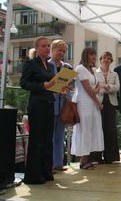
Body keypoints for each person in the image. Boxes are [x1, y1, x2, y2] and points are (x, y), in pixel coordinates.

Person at [20, 36, 56, 184]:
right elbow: (24, 83)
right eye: (44, 46)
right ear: (37, 48)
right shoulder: (31, 64)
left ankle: (46, 172)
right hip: (37, 104)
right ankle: (34, 175)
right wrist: (42, 86)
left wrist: (62, 88)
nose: (47, 48)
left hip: (49, 103)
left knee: (48, 139)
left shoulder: (50, 65)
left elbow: (52, 84)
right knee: (37, 140)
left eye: (48, 46)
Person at [71, 47, 104, 170]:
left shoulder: (93, 70)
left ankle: (87, 159)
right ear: (86, 55)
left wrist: (95, 93)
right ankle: (83, 161)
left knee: (91, 130)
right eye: (91, 54)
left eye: (95, 54)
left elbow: (96, 88)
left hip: (92, 104)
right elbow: (89, 90)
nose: (94, 56)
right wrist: (98, 102)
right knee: (85, 130)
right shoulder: (80, 68)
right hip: (84, 103)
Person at [48, 39, 72, 172]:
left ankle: (58, 163)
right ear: (52, 50)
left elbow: (71, 86)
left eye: (64, 51)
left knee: (60, 135)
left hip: (62, 105)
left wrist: (67, 89)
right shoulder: (46, 65)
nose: (61, 53)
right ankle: (50, 164)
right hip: (50, 103)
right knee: (49, 136)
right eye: (59, 50)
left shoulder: (67, 67)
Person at [96, 51, 121, 164]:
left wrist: (106, 86)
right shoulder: (94, 73)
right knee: (98, 128)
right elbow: (93, 87)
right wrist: (103, 89)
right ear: (100, 60)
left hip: (111, 102)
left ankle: (111, 157)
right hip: (98, 102)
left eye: (108, 58)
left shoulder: (114, 74)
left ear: (111, 61)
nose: (106, 60)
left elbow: (117, 87)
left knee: (110, 129)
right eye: (104, 58)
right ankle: (96, 157)